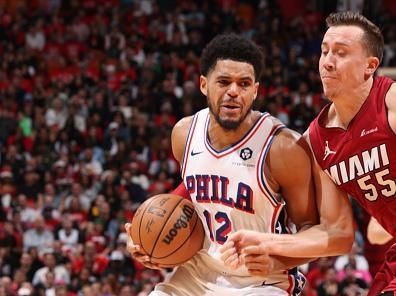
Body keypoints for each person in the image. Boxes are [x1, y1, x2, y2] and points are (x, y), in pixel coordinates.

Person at [125, 33, 354, 295]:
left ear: (255, 91)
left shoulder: (282, 148)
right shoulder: (183, 134)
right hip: (196, 275)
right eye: (223, 82)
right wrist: (146, 240)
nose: (233, 91)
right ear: (203, 84)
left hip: (261, 281)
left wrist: (277, 260)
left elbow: (309, 229)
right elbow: (194, 188)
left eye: (244, 84)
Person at [221, 11, 396, 296]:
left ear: (370, 66)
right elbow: (337, 235)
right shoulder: (316, 142)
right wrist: (269, 246)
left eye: (340, 53)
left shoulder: (390, 101)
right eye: (325, 51)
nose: (327, 62)